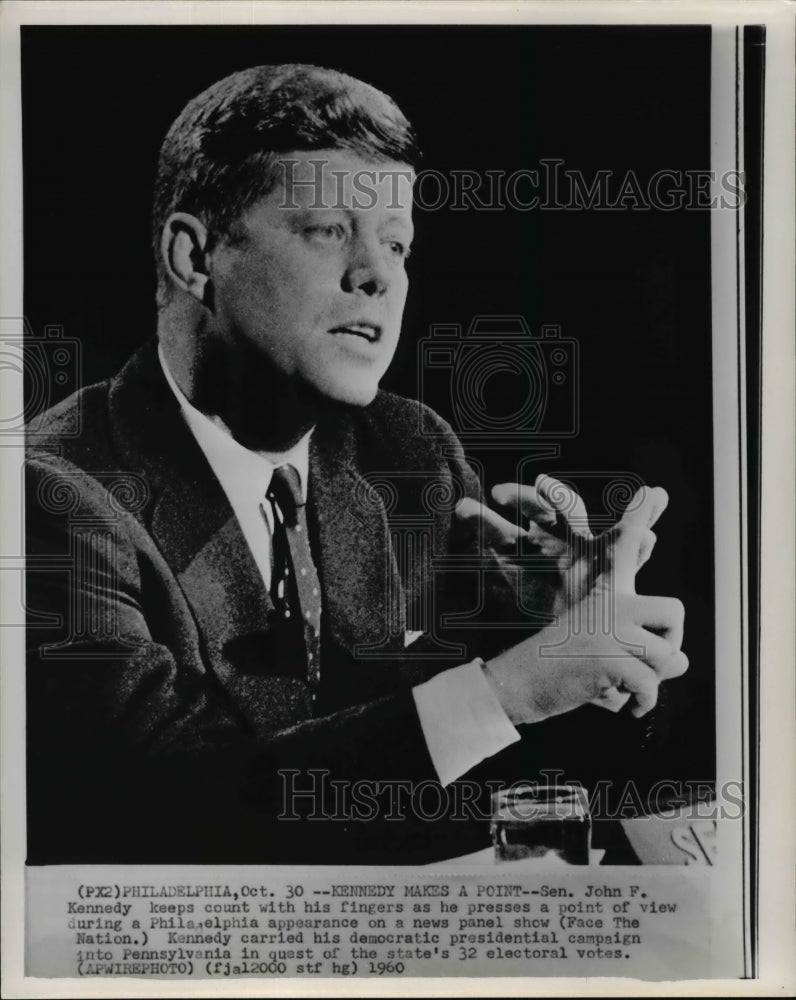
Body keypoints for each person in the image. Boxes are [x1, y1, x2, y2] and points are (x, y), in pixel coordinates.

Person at [25, 64, 687, 864]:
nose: (379, 275)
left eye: (398, 243)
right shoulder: (52, 492)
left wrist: (579, 641)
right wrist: (508, 685)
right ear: (195, 257)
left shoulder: (410, 451)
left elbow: (519, 776)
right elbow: (153, 809)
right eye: (329, 231)